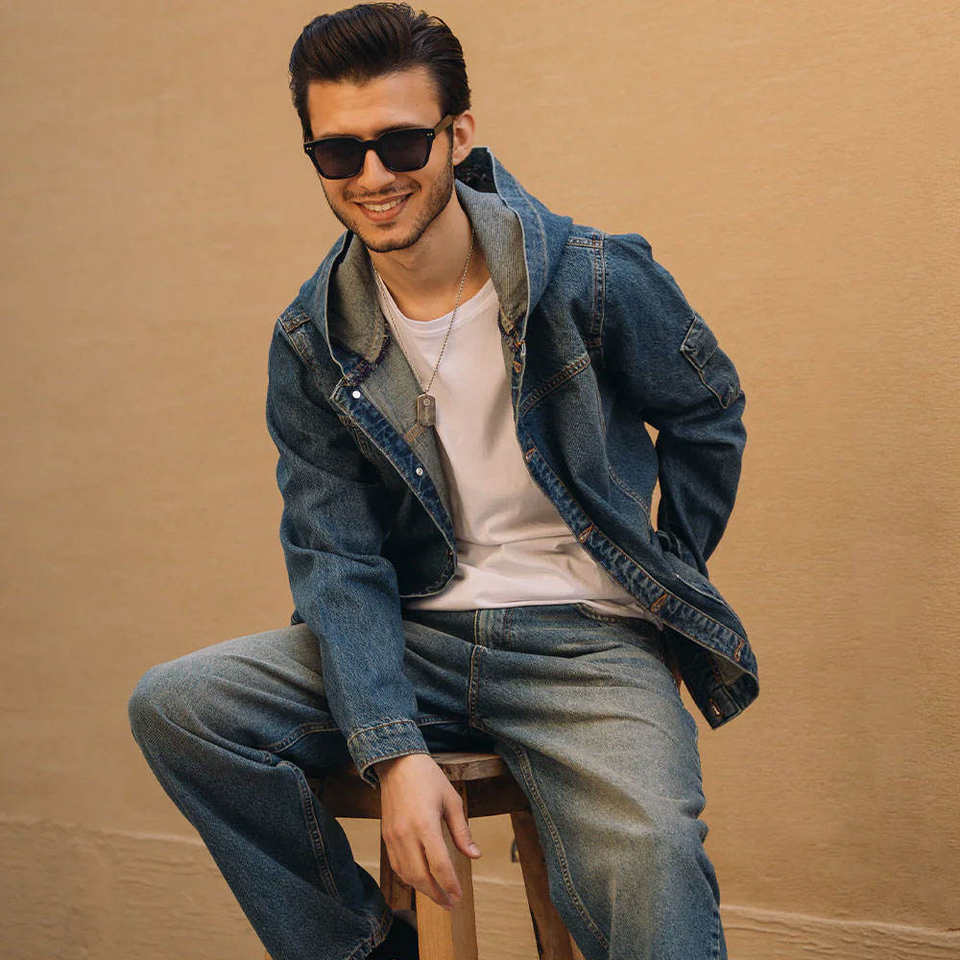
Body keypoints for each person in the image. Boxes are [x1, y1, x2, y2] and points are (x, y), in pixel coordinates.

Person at [127, 4, 759, 959]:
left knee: (651, 865)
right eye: (338, 153)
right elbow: (334, 556)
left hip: (585, 641)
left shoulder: (589, 277)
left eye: (401, 142)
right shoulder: (313, 341)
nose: (373, 176)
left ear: (459, 135)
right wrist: (393, 749)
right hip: (414, 637)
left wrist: (663, 568)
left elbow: (707, 410)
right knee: (180, 706)